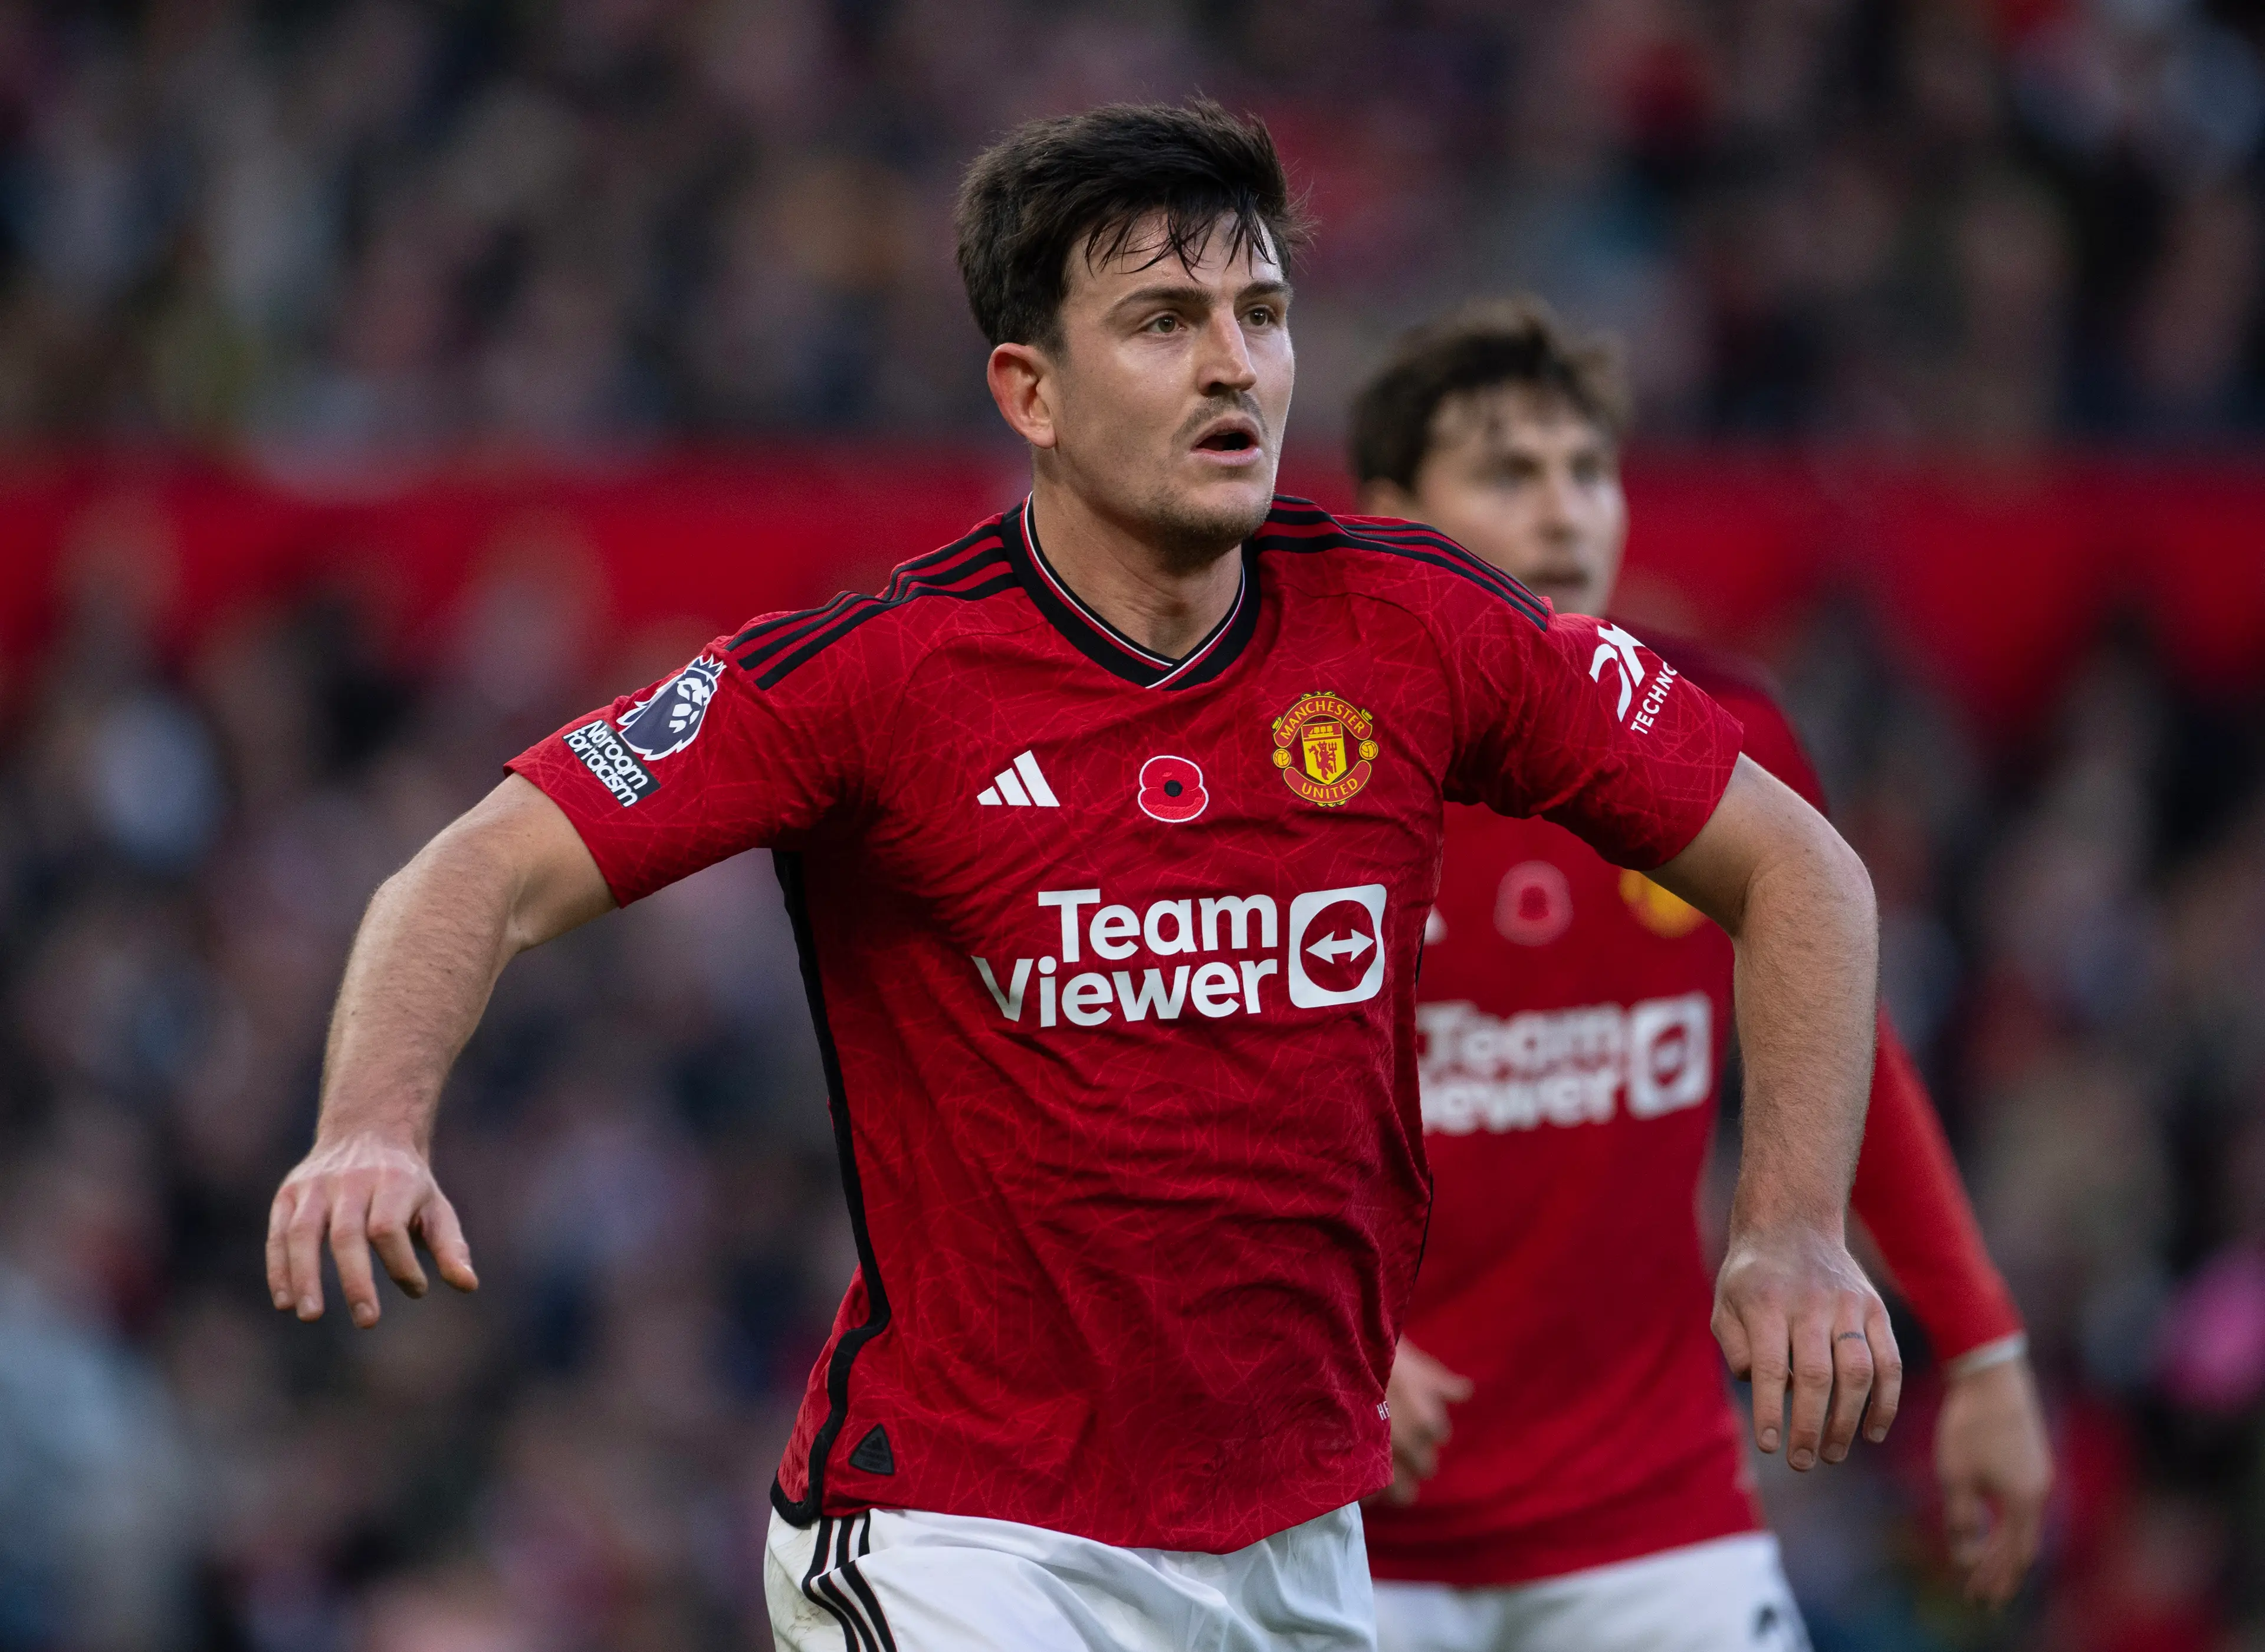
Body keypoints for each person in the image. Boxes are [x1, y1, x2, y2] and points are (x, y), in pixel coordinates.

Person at [265, 103, 1898, 1652]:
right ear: (1028, 391)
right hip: (970, 1538)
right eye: (1165, 319)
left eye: (1261, 313)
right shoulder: (878, 680)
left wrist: (1793, 1233)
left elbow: (1799, 868)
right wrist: (372, 1125)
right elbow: (477, 868)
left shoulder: (1420, 630)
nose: (1233, 364)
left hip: (1300, 1540)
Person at [1349, 299, 2054, 1652]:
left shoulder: (1721, 742)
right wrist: (1325, 1342)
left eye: (1588, 468)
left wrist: (1984, 1347)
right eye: (1509, 471)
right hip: (1348, 1516)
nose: (1565, 509)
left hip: (1650, 1514)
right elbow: (1177, 1098)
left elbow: (1844, 1050)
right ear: (1393, 517)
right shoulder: (1322, 765)